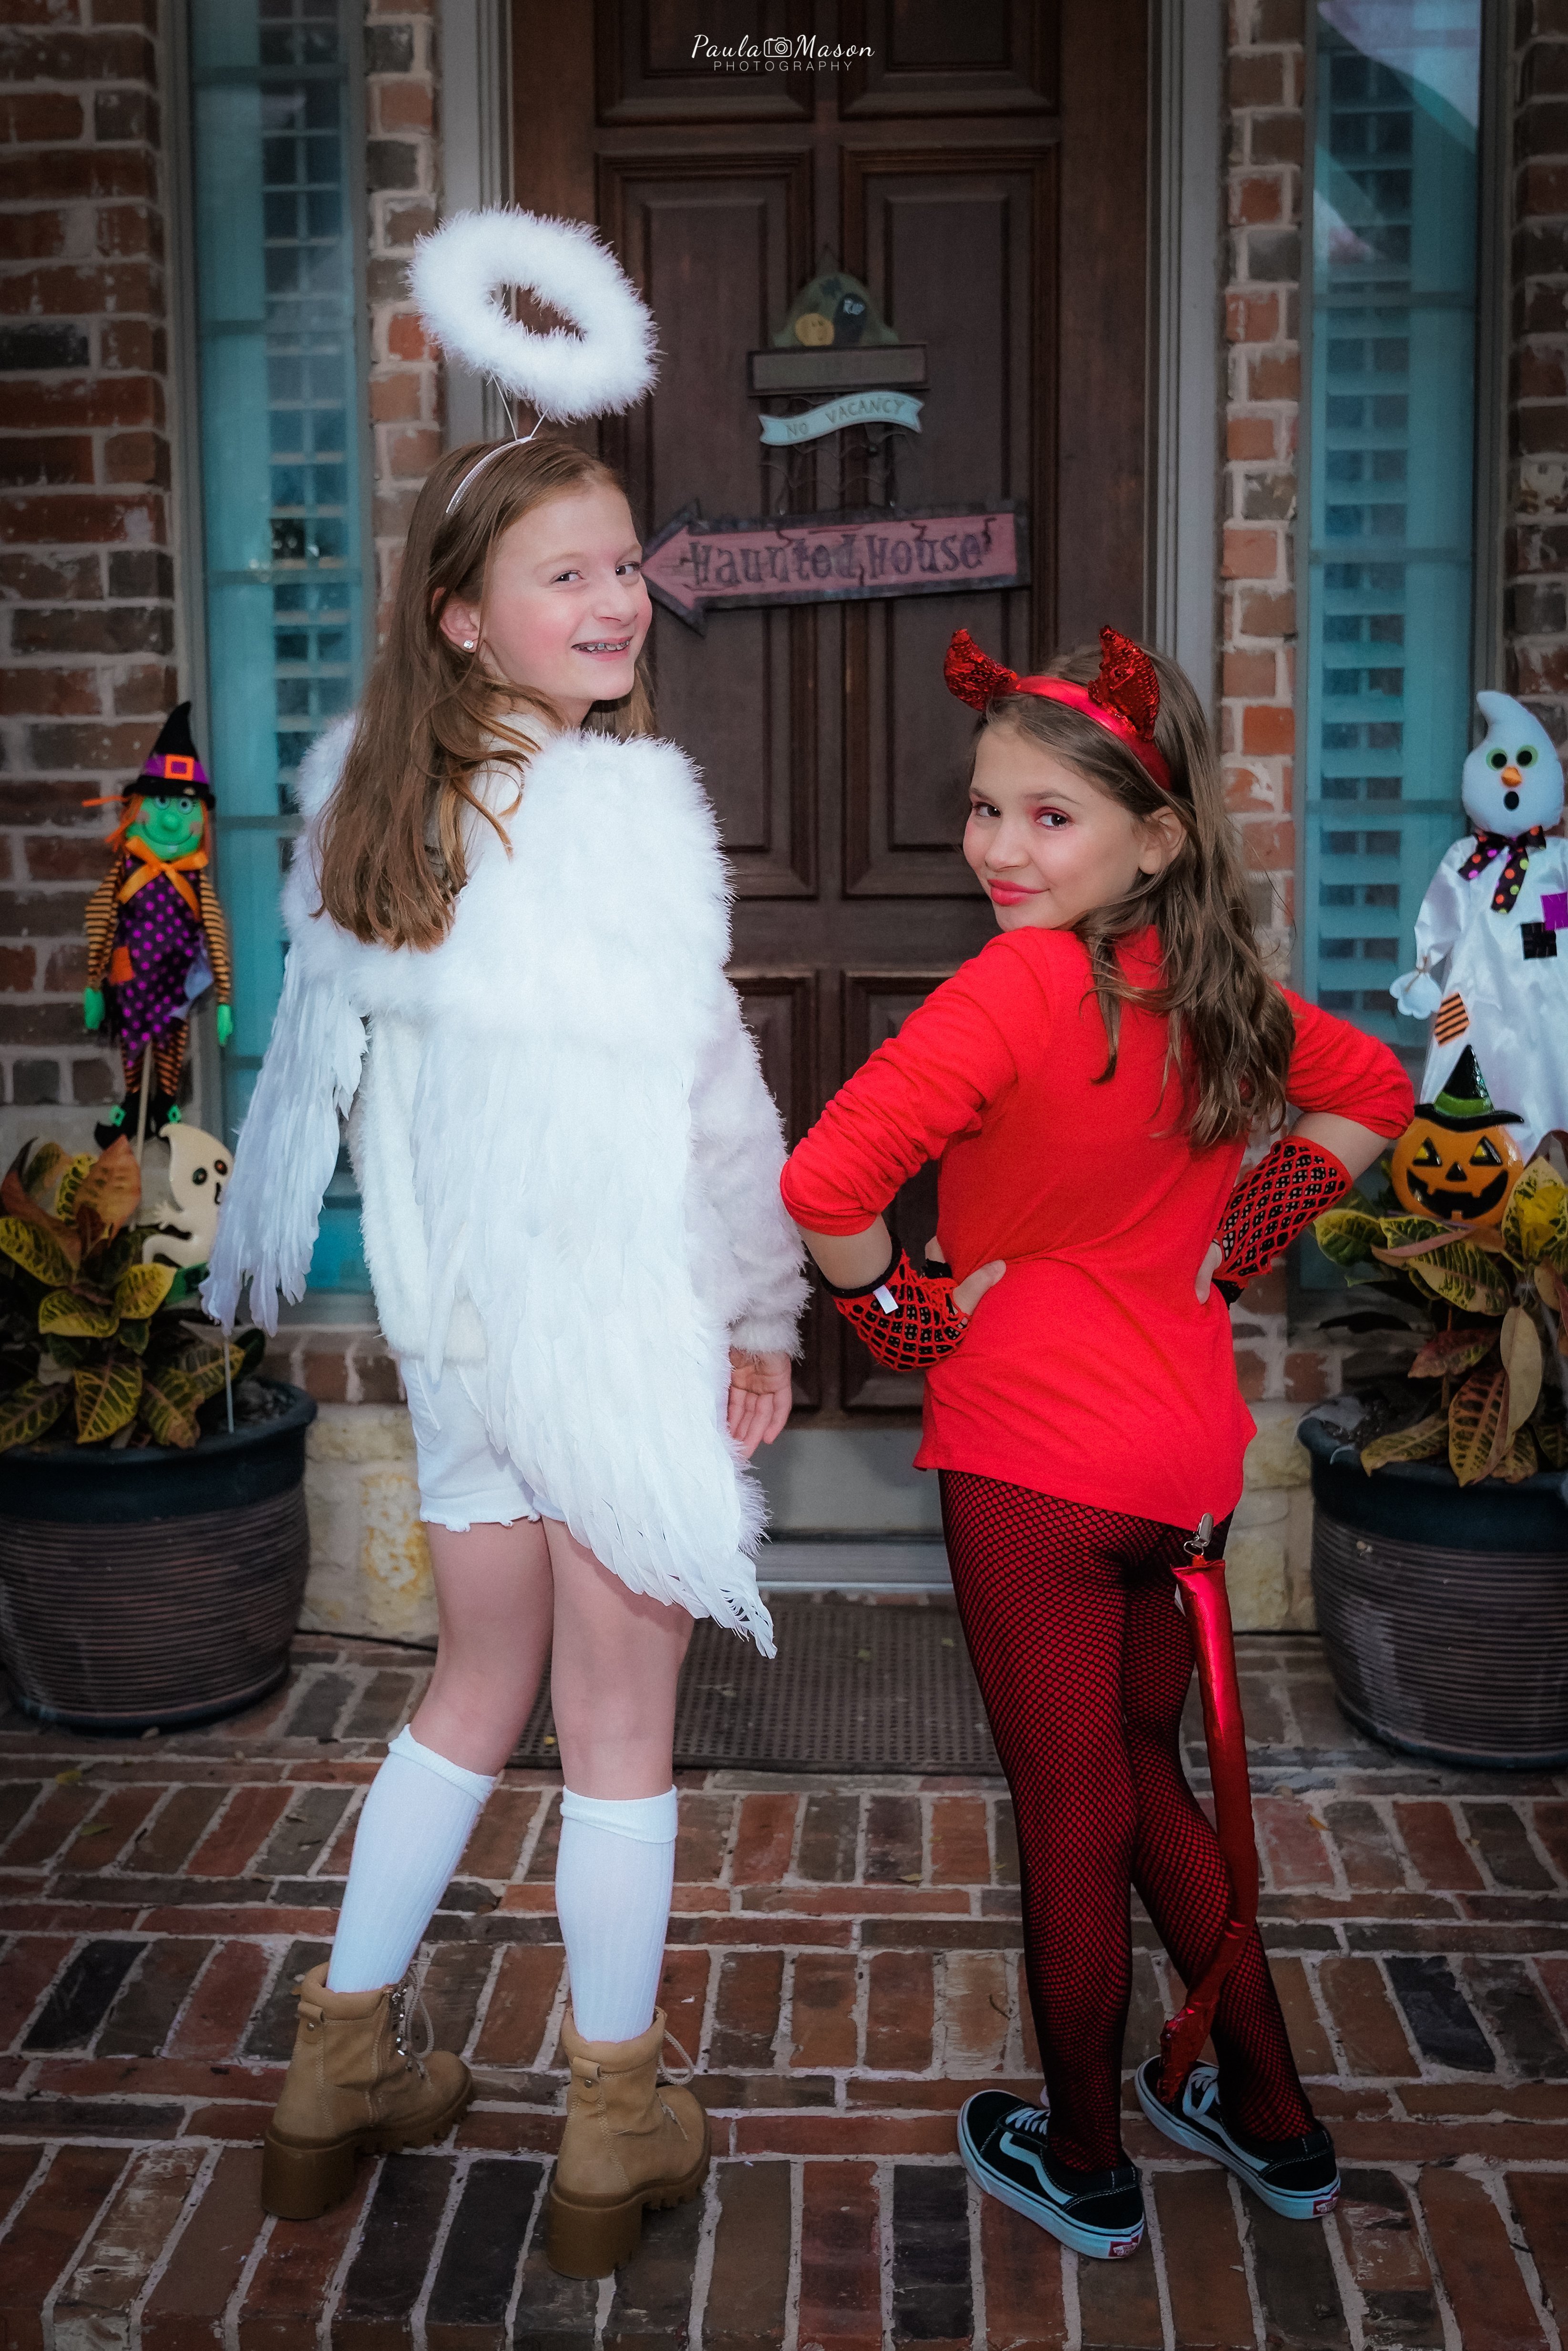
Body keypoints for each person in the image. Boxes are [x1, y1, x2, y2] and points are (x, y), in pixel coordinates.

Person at [204, 432, 804, 2275]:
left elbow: (334, 1103)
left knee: (470, 1694)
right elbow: (711, 1104)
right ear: (461, 616)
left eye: (626, 564)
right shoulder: (618, 816)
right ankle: (611, 2126)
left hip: (457, 1341)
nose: (619, 599)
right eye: (568, 574)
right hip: (611, 1333)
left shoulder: (372, 818)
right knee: (617, 1731)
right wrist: (759, 1303)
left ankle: (335, 2068)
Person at [779, 625, 1413, 2263]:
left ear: (1156, 838)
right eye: (985, 808)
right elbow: (1375, 1088)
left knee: (1073, 1812)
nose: (998, 847)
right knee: (1142, 1776)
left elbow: (824, 1183)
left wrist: (907, 1322)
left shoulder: (1012, 986)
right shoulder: (1213, 990)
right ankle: (1271, 2117)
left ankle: (1080, 2155)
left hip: (1035, 1472)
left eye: (1048, 816)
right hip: (1183, 1468)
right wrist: (1239, 1237)